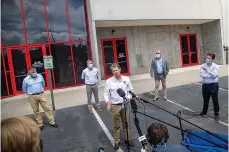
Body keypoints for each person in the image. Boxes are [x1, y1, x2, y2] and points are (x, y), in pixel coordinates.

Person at [104, 63, 134, 150]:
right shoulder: (109, 81)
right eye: (113, 71)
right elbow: (106, 93)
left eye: (116, 70)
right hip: (115, 106)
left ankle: (128, 139)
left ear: (120, 69)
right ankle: (117, 142)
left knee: (126, 123)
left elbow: (130, 91)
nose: (115, 72)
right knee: (116, 125)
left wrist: (128, 98)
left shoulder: (126, 79)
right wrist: (108, 102)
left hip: (124, 104)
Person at [198, 53, 220, 122]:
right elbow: (202, 74)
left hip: (213, 85)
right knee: (205, 100)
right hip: (205, 85)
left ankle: (216, 114)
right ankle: (204, 112)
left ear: (213, 59)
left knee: (215, 100)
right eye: (206, 58)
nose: (207, 59)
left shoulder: (216, 66)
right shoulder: (202, 65)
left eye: (209, 58)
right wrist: (209, 74)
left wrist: (207, 71)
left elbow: (214, 75)